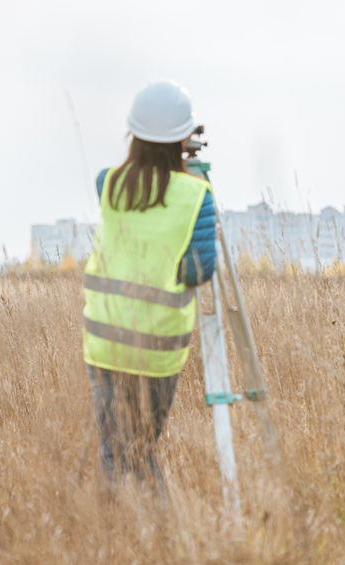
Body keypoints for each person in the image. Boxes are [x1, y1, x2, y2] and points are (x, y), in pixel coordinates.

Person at [82, 80, 217, 505]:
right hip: (156, 348)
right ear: (184, 137)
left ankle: (117, 533)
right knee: (140, 451)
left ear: (133, 134)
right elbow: (198, 271)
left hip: (103, 343)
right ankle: (157, 535)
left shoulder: (109, 183)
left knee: (113, 450)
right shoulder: (197, 195)